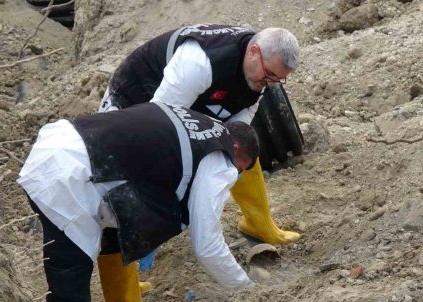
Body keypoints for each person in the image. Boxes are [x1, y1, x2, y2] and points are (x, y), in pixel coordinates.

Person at [18, 102, 258, 302]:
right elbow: (207, 245)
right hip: (68, 180)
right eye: (240, 169)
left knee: (113, 240)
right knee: (70, 296)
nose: (235, 176)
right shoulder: (219, 159)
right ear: (235, 148)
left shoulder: (201, 124)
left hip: (62, 142)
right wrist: (247, 289)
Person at [99, 23, 301, 248]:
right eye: (269, 75)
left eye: (278, 80)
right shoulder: (199, 63)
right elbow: (158, 127)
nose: (270, 84)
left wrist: (222, 153)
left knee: (241, 148)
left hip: (193, 98)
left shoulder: (259, 75)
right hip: (133, 98)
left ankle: (259, 224)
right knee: (122, 182)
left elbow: (236, 136)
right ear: (253, 52)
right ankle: (127, 277)